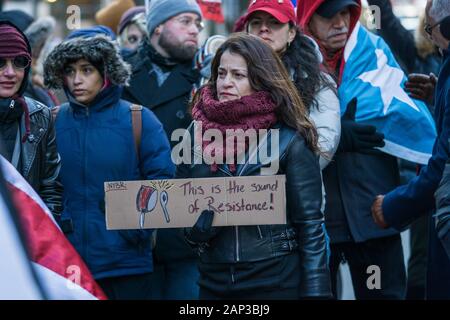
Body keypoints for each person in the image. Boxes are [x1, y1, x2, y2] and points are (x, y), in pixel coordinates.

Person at [178, 33, 331, 300]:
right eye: (222, 73)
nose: (226, 83)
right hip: (214, 281)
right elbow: (177, 211)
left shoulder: (289, 138)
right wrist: (195, 232)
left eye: (238, 75)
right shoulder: (194, 134)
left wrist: (317, 292)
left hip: (275, 280)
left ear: (260, 79)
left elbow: (310, 225)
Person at [43, 26, 175, 300]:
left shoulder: (140, 120)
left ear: (106, 72)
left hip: (127, 266)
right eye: (69, 71)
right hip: (68, 265)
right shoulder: (52, 122)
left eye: (86, 69)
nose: (76, 80)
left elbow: (163, 184)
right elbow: (42, 187)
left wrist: (134, 230)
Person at [297, 0, 408, 299]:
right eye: (329, 14)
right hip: (316, 223)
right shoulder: (288, 65)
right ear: (308, 17)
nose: (340, 23)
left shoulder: (376, 55)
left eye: (346, 12)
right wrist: (334, 135)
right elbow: (271, 136)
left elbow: (408, 117)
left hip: (374, 214)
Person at [122, 0, 203, 299]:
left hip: (186, 230)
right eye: (185, 21)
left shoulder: (206, 78)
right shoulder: (120, 74)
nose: (195, 30)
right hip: (131, 224)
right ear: (157, 26)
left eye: (198, 24)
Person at [371, 0, 450, 299]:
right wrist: (437, 97)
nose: (430, 37)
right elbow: (386, 22)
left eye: (433, 30)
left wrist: (392, 206)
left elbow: (444, 166)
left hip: (429, 186)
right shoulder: (440, 66)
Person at [243, 0, 340, 169]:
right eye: (256, 22)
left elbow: (323, 145)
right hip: (236, 190)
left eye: (275, 22)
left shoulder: (316, 82)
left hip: (293, 189)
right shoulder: (226, 76)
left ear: (291, 34)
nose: (264, 28)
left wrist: (266, 173)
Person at [0, 20, 62, 218]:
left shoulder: (40, 115)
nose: (10, 73)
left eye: (19, 62)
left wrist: (41, 241)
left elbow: (51, 188)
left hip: (27, 240)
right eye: (0, 62)